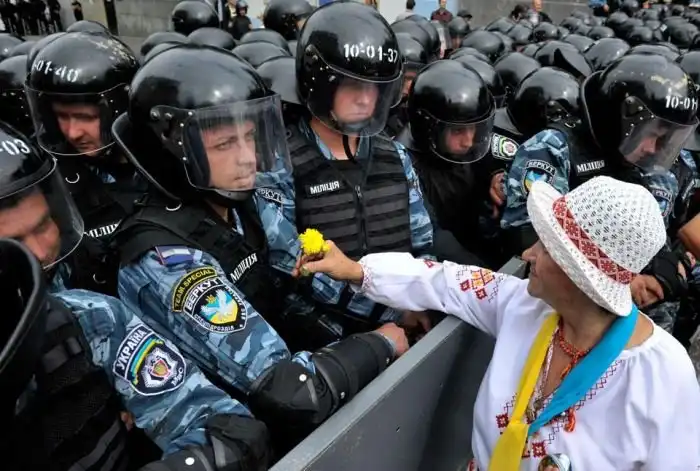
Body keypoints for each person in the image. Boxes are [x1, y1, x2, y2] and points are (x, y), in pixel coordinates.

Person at [111, 43, 409, 451]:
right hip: (237, 442)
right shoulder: (164, 260)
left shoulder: (241, 205)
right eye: (224, 145)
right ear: (169, 151)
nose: (248, 158)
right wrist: (381, 344)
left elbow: (304, 276)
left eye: (250, 137)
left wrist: (396, 308)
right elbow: (292, 394)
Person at [297, 175, 700, 470]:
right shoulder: (522, 304)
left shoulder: (663, 376)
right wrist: (354, 270)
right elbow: (443, 280)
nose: (528, 254)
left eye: (546, 247)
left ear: (579, 277)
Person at [0, 121, 274, 471]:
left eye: (43, 226)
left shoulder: (92, 318)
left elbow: (228, 429)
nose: (39, 253)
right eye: (13, 243)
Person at [262, 1, 434, 348]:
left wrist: (421, 300)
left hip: (410, 329)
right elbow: (290, 266)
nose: (366, 99)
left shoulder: (395, 156)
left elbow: (422, 245)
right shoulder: (280, 166)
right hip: (329, 344)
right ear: (320, 83)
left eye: (375, 87)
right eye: (353, 85)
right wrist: (391, 313)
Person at [501, 54, 697, 333]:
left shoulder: (657, 172)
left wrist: (666, 272)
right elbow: (530, 234)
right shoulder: (554, 149)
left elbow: (668, 238)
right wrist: (622, 283)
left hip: (643, 325)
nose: (654, 148)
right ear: (616, 117)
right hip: (562, 316)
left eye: (666, 138)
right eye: (651, 134)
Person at [25, 31, 143, 296]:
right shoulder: (46, 177)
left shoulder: (159, 162)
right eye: (61, 116)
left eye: (85, 117)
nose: (72, 132)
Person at [397, 60, 496, 265]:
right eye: (458, 130)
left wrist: (497, 176)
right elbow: (432, 235)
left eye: (474, 128)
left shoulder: (467, 151)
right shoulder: (401, 164)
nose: (468, 141)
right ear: (428, 127)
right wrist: (485, 273)